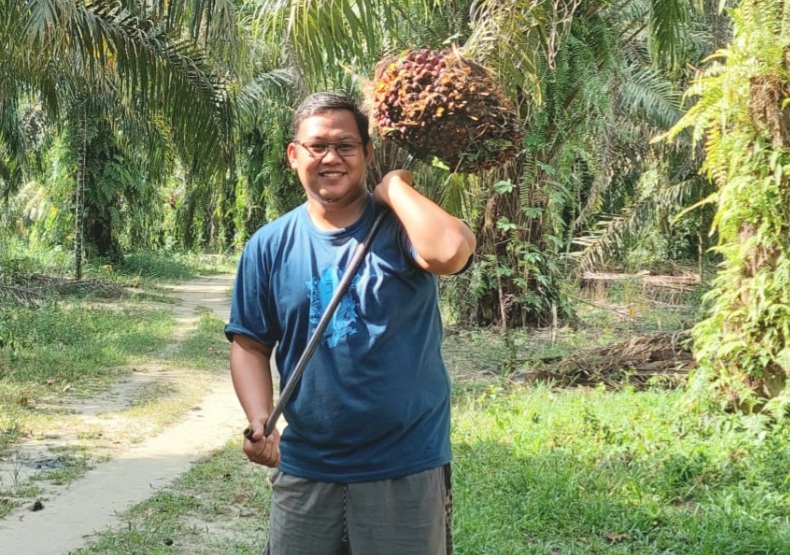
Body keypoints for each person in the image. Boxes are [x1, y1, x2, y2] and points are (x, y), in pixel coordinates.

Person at [225, 91, 476, 555]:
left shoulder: (401, 227)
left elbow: (449, 251)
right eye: (318, 146)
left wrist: (395, 187)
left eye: (346, 146)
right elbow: (250, 343)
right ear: (293, 155)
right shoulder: (269, 245)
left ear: (367, 154)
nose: (331, 158)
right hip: (306, 468)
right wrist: (260, 419)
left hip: (404, 464)